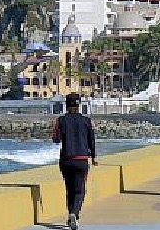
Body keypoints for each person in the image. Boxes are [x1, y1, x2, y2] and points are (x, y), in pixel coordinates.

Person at [52, 93, 97, 230]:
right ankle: (74, 214)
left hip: (66, 159)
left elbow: (56, 139)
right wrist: (94, 156)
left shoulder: (61, 120)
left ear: (66, 104)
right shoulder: (87, 121)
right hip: (81, 160)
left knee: (69, 189)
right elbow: (92, 141)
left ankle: (72, 216)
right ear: (79, 105)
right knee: (80, 190)